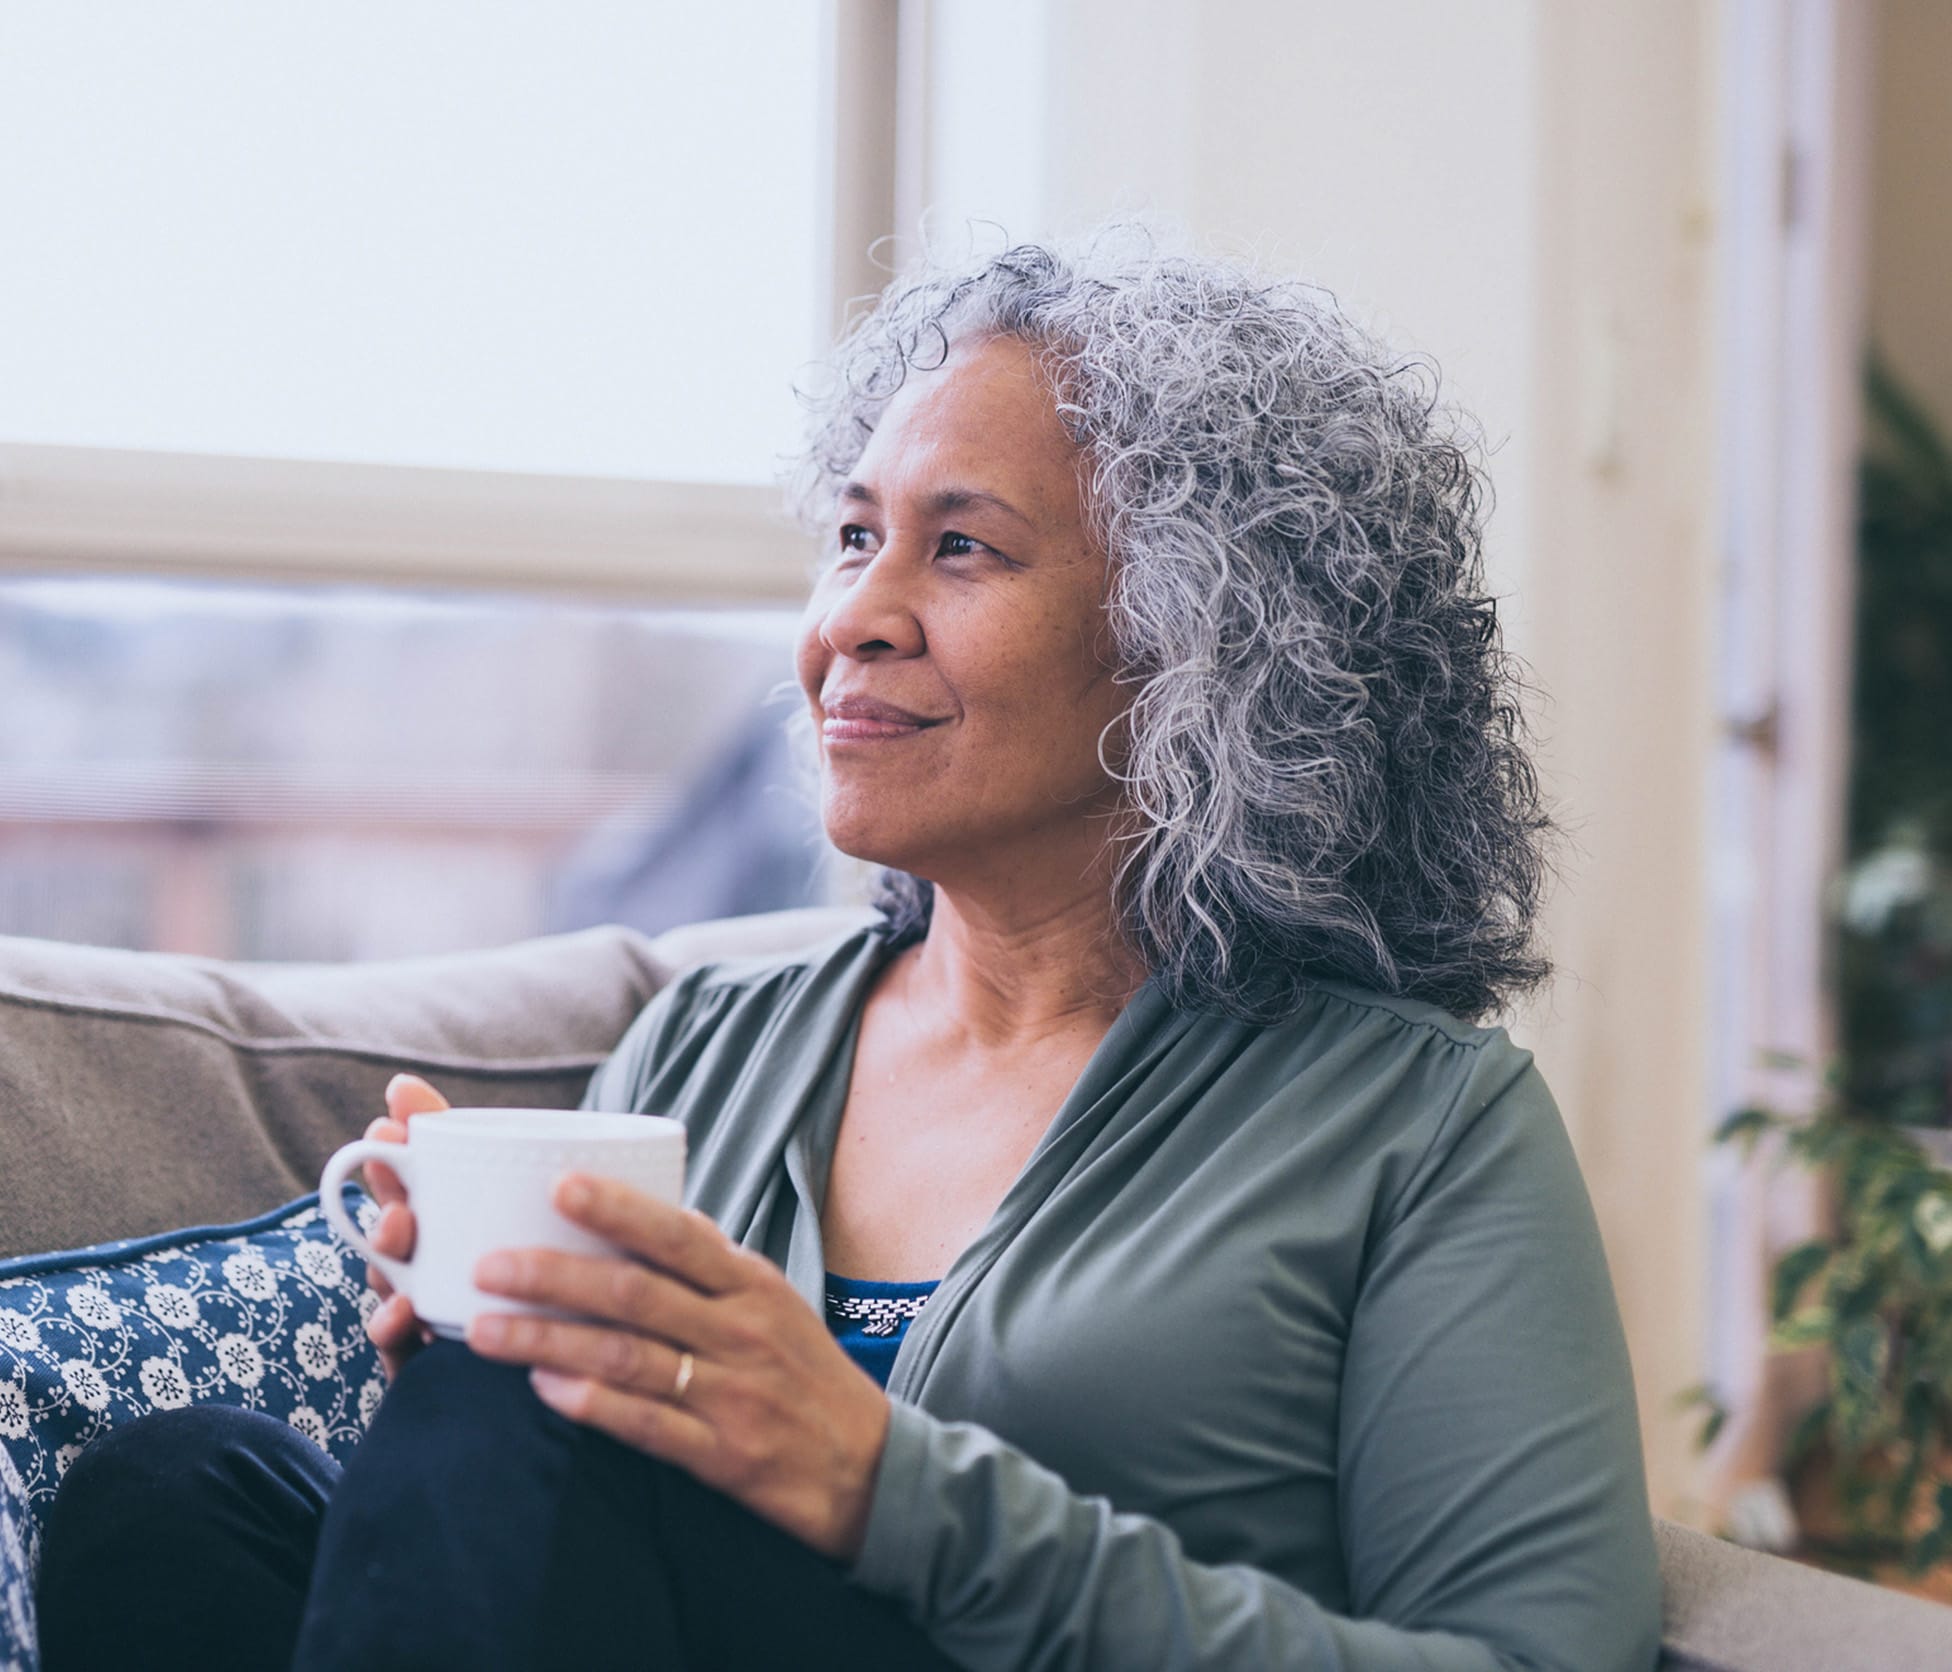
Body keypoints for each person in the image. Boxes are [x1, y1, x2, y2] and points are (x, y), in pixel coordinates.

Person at [35, 229, 1662, 1671]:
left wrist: (889, 1490)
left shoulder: (1418, 1129)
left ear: (1203, 649)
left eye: (963, 548)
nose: (855, 617)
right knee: (175, 1501)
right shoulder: (707, 1043)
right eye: (853, 535)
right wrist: (468, 1345)